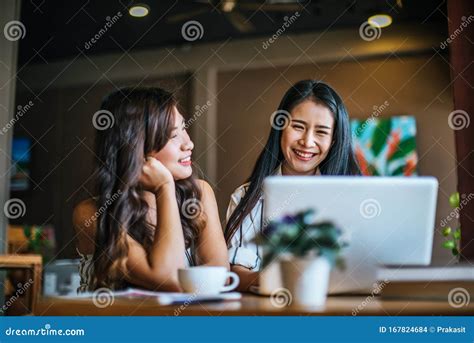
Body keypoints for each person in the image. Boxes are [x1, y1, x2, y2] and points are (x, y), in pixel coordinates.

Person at [73, 87, 229, 292]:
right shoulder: (90, 213)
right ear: (137, 147)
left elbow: (221, 275)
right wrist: (164, 188)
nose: (188, 143)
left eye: (184, 128)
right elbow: (168, 279)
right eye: (173, 135)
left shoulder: (200, 193)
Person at [224, 80, 360, 291]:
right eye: (298, 127)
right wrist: (282, 279)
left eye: (321, 132)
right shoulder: (247, 198)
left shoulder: (349, 197)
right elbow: (236, 272)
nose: (307, 142)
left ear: (333, 141)